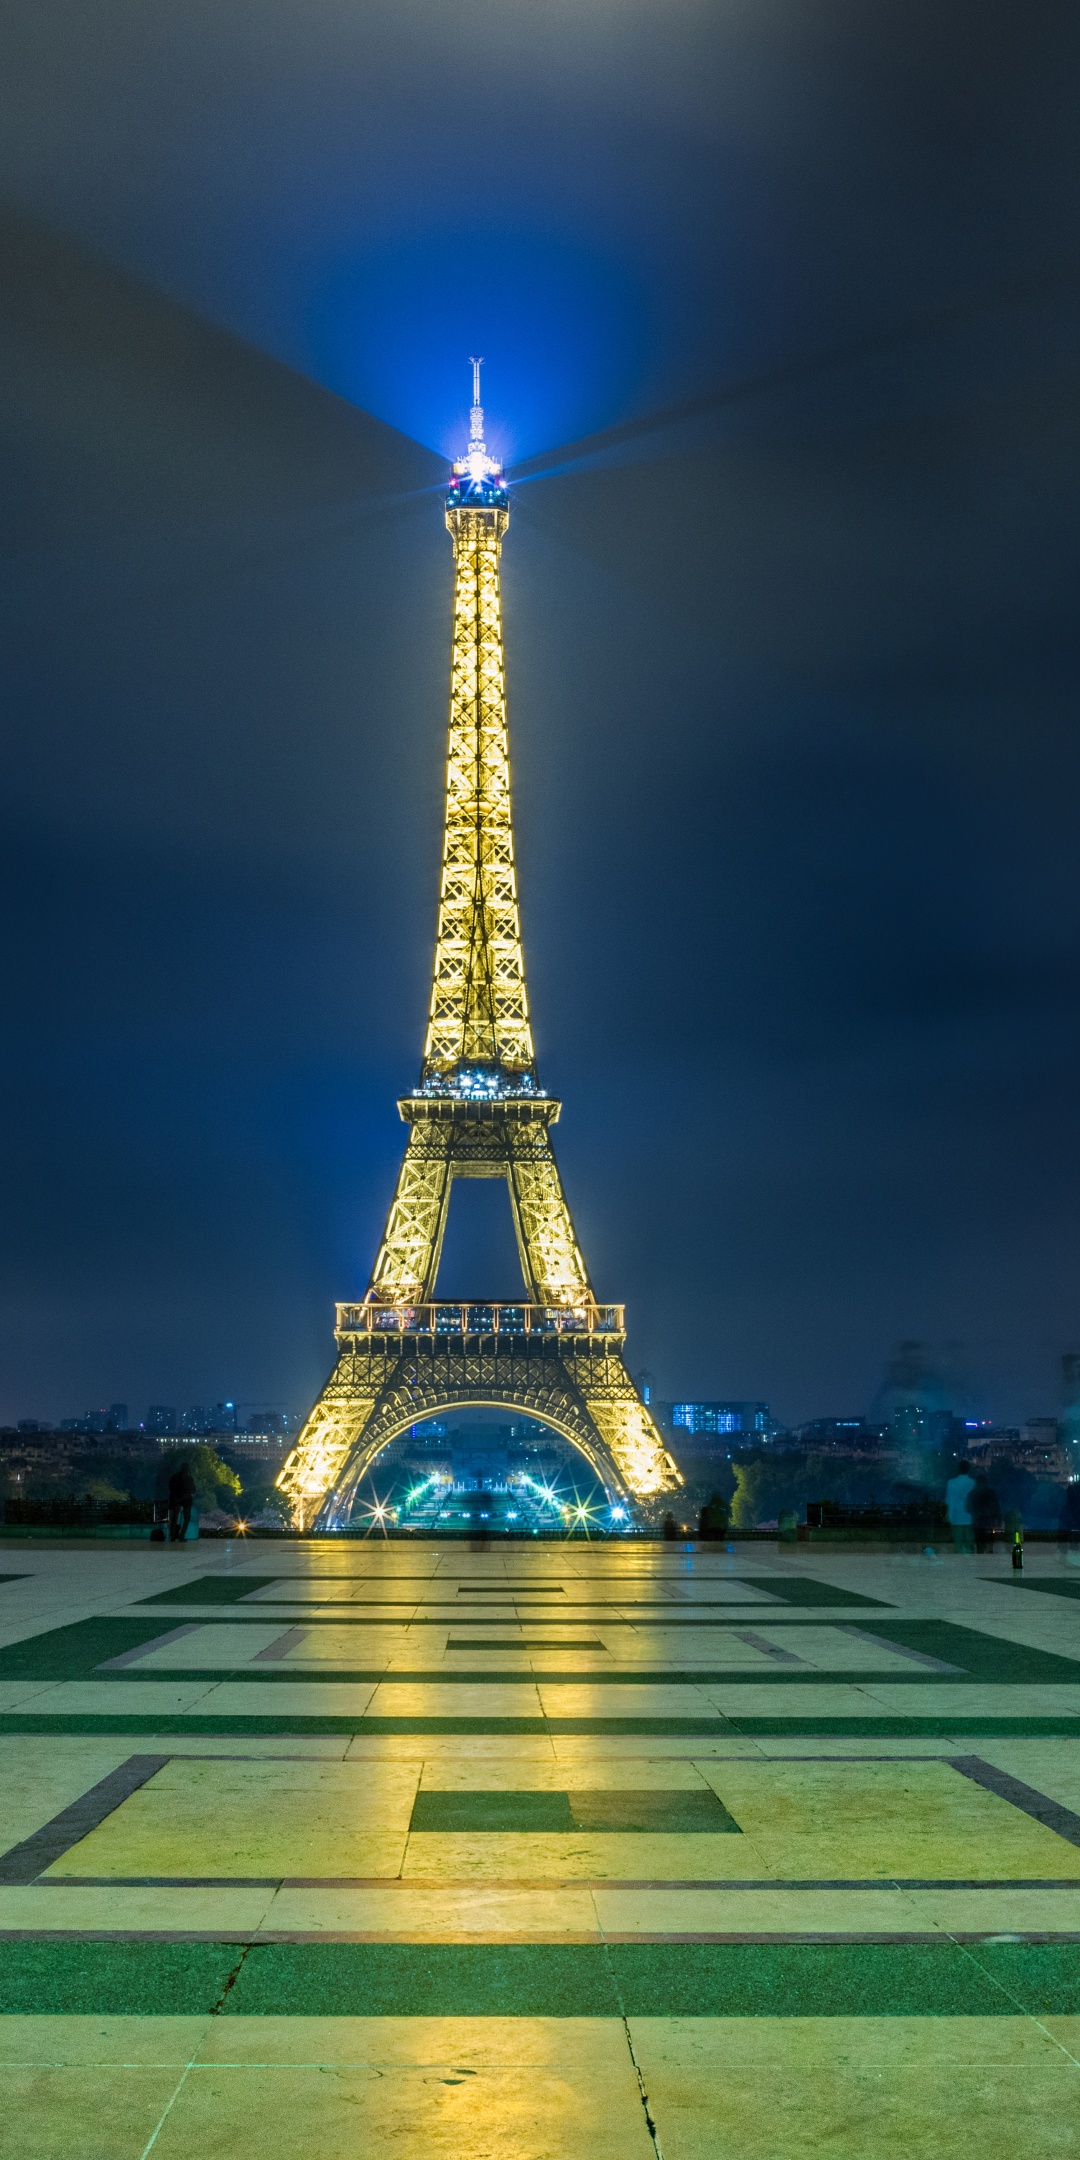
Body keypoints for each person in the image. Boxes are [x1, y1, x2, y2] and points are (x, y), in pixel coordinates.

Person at [944, 1460, 976, 1553]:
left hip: (956, 1519)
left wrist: (948, 1517)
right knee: (970, 1548)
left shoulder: (951, 1483)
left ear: (958, 1469)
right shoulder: (973, 1483)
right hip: (970, 1519)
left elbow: (949, 1501)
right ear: (968, 1469)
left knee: (958, 1548)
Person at [969, 1476, 1002, 1555]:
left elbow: (968, 1508)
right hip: (989, 1524)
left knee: (980, 1547)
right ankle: (988, 1562)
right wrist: (999, 1519)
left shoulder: (973, 1493)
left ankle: (981, 1563)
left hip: (978, 1524)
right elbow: (996, 1507)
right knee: (989, 1547)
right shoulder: (991, 1492)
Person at [168, 1460, 196, 1543]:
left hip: (177, 1499)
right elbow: (193, 1490)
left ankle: (172, 1536)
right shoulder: (189, 1478)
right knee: (186, 1518)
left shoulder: (175, 1477)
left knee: (174, 1519)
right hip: (186, 1500)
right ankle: (181, 1535)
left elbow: (171, 1488)